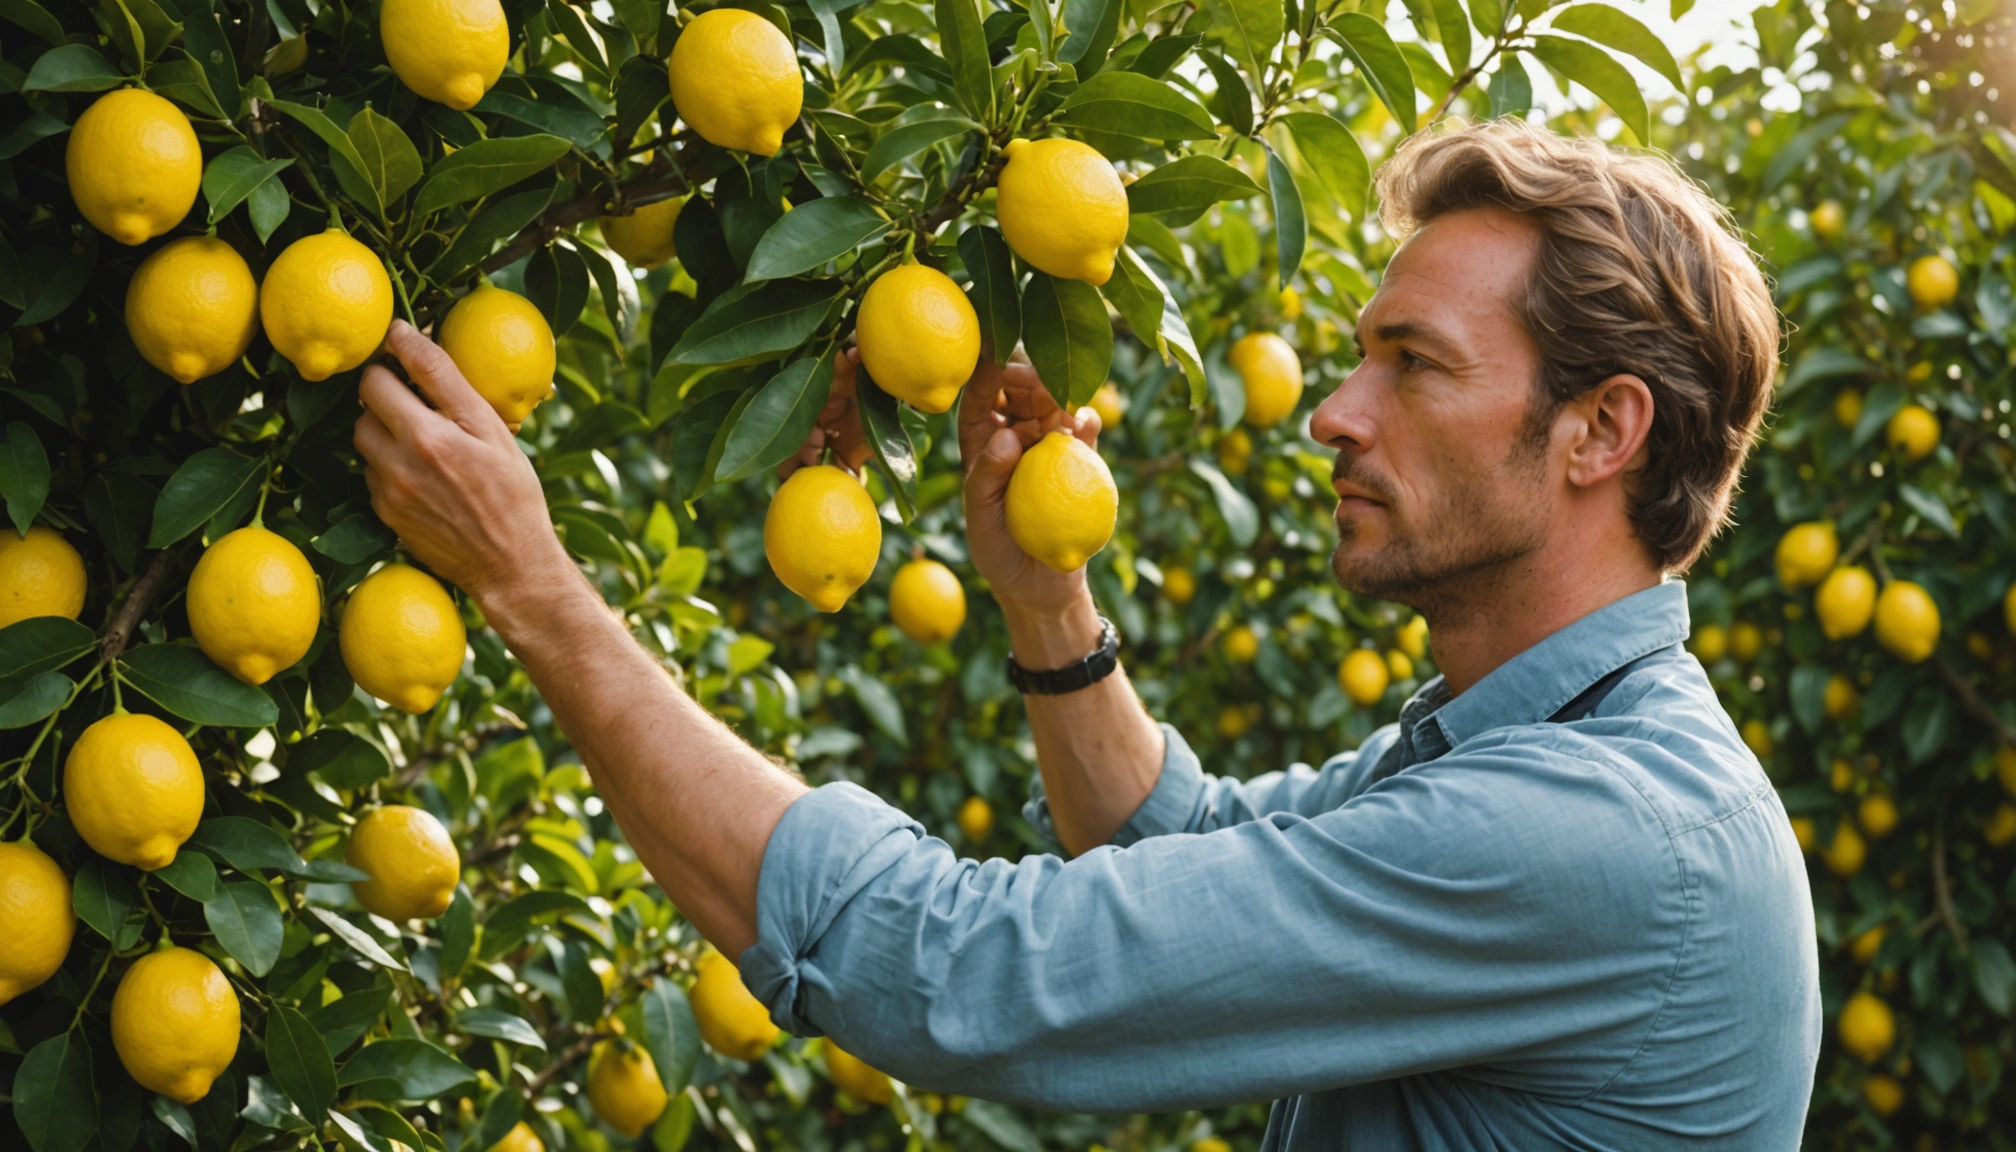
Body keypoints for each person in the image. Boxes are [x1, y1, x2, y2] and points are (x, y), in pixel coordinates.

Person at [353, 120, 1819, 1149]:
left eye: (1413, 364)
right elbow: (1171, 844)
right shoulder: (1541, 750)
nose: (1336, 411)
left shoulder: (1598, 833)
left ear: (1599, 431)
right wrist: (1048, 602)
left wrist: (536, 588)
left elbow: (960, 975)